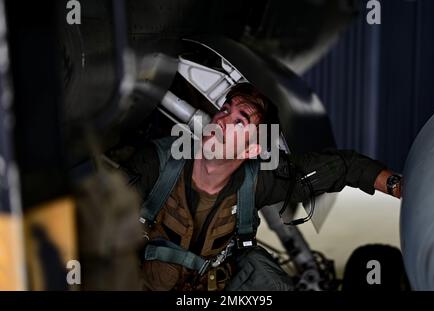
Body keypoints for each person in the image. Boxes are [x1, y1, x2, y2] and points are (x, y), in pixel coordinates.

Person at [114, 83, 402, 291]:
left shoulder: (259, 181)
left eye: (239, 120)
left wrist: (399, 185)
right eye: (225, 109)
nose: (222, 119)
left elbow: (343, 166)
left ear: (252, 150)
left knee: (269, 281)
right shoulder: (157, 164)